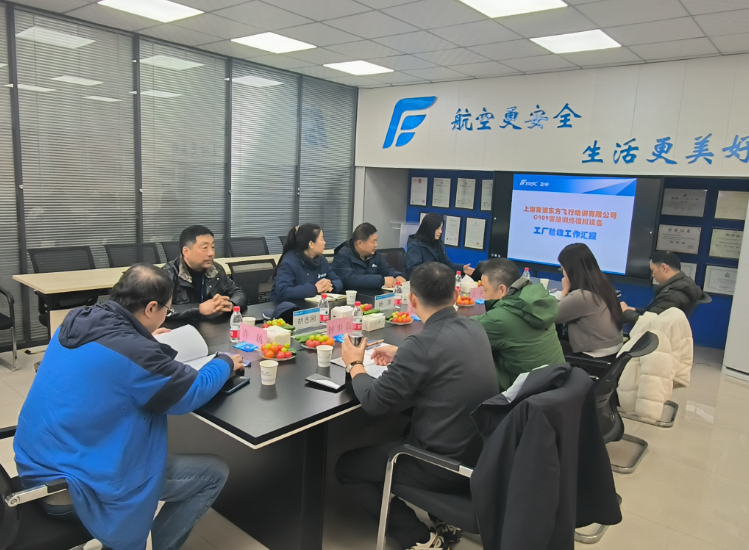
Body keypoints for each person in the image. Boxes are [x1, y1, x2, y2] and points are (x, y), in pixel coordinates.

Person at [13, 265, 245, 550]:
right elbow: (191, 392)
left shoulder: (79, 320)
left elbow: (113, 357)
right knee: (213, 473)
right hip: (77, 488)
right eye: (167, 310)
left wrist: (144, 337)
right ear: (151, 308)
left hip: (37, 466)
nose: (166, 315)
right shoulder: (135, 353)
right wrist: (224, 362)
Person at [337, 262, 498, 550]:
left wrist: (354, 363)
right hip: (481, 454)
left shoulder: (422, 345)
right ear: (455, 294)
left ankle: (420, 538)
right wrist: (403, 353)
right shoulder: (475, 328)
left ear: (411, 299)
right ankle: (444, 518)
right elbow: (444, 358)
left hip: (442, 465)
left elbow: (373, 401)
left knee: (346, 467)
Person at [471, 258, 565, 391]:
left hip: (524, 394)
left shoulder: (500, 319)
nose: (484, 296)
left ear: (501, 289)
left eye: (485, 290)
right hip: (556, 385)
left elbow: (463, 332)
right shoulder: (536, 301)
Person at [163, 225, 247, 320]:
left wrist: (231, 304)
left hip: (213, 326)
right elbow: (160, 310)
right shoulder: (167, 275)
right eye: (205, 247)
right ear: (186, 252)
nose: (211, 253)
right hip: (181, 327)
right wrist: (199, 308)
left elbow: (238, 293)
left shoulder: (216, 269)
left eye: (213, 247)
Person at [556, 243, 623, 357]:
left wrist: (564, 292)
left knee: (545, 346)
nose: (563, 273)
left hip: (594, 356)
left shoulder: (581, 296)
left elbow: (549, 316)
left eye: (563, 268)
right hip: (613, 350)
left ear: (570, 270)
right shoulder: (603, 286)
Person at [621, 250, 706, 325]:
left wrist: (626, 311)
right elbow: (654, 313)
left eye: (653, 270)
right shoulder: (684, 285)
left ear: (664, 268)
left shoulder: (671, 296)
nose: (653, 275)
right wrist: (634, 310)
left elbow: (648, 325)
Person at [269, 223, 343, 302]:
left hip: (311, 305)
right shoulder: (289, 263)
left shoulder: (322, 261)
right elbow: (284, 291)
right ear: (311, 244)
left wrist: (331, 286)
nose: (324, 242)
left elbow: (337, 280)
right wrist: (315, 289)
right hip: (284, 306)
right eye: (322, 239)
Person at [332, 222, 407, 289]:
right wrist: (382, 281)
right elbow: (351, 280)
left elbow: (387, 270)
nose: (376, 245)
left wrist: (398, 276)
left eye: (376, 241)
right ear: (360, 243)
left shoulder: (374, 255)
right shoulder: (342, 257)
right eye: (373, 242)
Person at [404, 213, 474, 279]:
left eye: (441, 228)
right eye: (437, 228)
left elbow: (446, 264)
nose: (440, 231)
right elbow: (414, 270)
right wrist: (436, 272)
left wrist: (462, 268)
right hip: (421, 283)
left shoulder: (439, 243)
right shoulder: (415, 245)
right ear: (429, 229)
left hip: (437, 281)